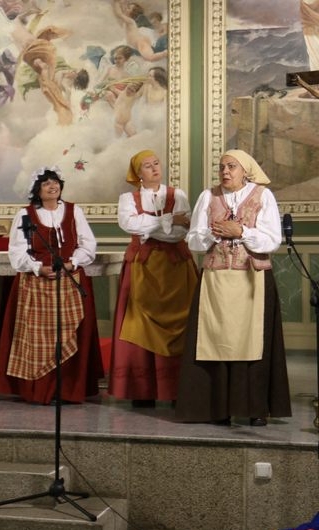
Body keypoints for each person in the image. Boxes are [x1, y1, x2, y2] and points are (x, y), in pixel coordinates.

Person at [175, 149, 292, 426]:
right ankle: (217, 407)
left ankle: (253, 408)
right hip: (215, 280)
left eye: (231, 167)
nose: (225, 172)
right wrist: (211, 233)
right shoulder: (208, 196)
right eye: (221, 167)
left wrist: (242, 232)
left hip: (252, 281)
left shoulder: (263, 196)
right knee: (213, 339)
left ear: (246, 170)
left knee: (251, 341)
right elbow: (193, 240)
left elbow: (272, 240)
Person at [0, 167, 103, 404]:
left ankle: (67, 390)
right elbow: (17, 251)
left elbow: (88, 244)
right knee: (37, 338)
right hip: (36, 284)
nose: (53, 186)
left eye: (55, 182)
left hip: (70, 281)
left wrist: (73, 263)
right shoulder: (25, 215)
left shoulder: (74, 211)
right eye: (46, 184)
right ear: (37, 190)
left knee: (69, 335)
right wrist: (38, 268)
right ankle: (41, 389)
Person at [109, 150, 197, 408]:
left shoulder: (177, 194)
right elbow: (129, 224)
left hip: (175, 268)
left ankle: (176, 388)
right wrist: (169, 219)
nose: (154, 168)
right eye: (147, 166)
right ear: (138, 174)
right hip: (143, 268)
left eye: (156, 163)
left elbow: (181, 232)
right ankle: (143, 389)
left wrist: (152, 226)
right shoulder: (128, 198)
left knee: (183, 318)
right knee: (139, 322)